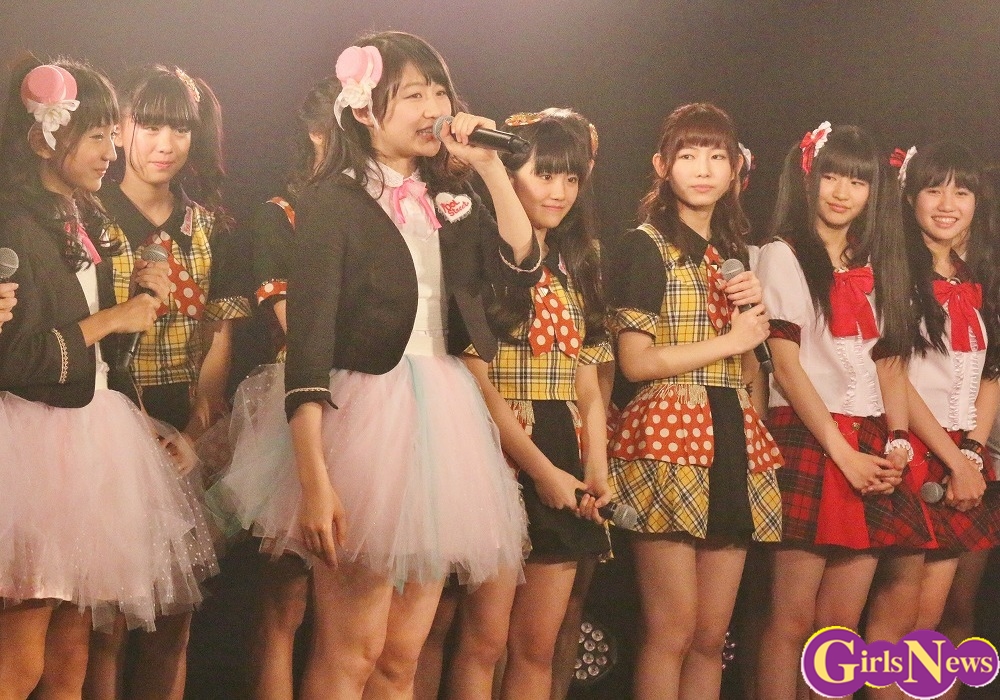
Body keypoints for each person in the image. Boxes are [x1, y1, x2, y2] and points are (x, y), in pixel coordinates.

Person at [216, 31, 539, 699]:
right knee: (351, 652)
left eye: (440, 92)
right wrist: (315, 480)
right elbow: (309, 347)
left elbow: (520, 261)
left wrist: (489, 168)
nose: (434, 108)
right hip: (362, 419)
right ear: (365, 109)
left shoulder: (449, 198)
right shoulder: (333, 201)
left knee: (400, 658)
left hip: (442, 418)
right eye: (414, 94)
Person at [0, 58, 208, 700]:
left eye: (111, 136)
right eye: (97, 136)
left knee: (72, 655)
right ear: (44, 139)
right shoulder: (14, 224)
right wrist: (113, 317)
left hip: (88, 434)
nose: (111, 152)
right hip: (32, 446)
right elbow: (16, 358)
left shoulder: (80, 220)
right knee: (20, 658)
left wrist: (135, 304)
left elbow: (95, 352)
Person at [429, 108, 611, 700]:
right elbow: (477, 378)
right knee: (483, 642)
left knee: (537, 646)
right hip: (498, 448)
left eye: (571, 178)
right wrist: (540, 471)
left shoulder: (580, 261)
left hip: (563, 443)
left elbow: (589, 383)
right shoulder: (486, 252)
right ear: (508, 176)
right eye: (544, 175)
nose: (558, 191)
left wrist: (596, 466)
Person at [603, 102, 782, 700]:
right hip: (668, 433)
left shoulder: (732, 256)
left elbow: (753, 364)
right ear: (662, 166)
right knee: (672, 630)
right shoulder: (645, 246)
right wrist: (730, 340)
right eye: (687, 155)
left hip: (731, 428)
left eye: (715, 156)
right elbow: (635, 361)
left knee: (710, 636)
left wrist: (752, 325)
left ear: (735, 170)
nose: (703, 169)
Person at [755, 123, 930, 699]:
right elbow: (785, 367)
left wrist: (898, 441)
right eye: (831, 176)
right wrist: (842, 453)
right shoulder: (782, 254)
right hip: (810, 437)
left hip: (871, 440)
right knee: (790, 620)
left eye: (857, 181)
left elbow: (890, 362)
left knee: (839, 628)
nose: (841, 192)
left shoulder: (876, 263)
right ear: (809, 177)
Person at [86, 63, 244, 700]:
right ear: (120, 128)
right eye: (149, 126)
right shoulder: (90, 218)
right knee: (107, 620)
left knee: (175, 617)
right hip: (105, 424)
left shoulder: (209, 227)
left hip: (183, 428)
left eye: (179, 129)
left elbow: (219, 331)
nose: (164, 144)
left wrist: (198, 426)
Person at [207, 75, 340, 700]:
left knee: (358, 604)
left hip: (378, 403)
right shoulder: (281, 214)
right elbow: (290, 320)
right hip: (301, 397)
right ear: (314, 133)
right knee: (284, 601)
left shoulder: (387, 209)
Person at [883, 143, 998, 699]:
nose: (948, 203)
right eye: (934, 189)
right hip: (915, 450)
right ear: (910, 199)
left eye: (962, 191)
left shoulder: (979, 277)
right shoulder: (896, 274)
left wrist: (972, 450)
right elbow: (894, 376)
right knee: (898, 623)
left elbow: (992, 373)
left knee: (930, 626)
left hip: (962, 454)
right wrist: (955, 459)